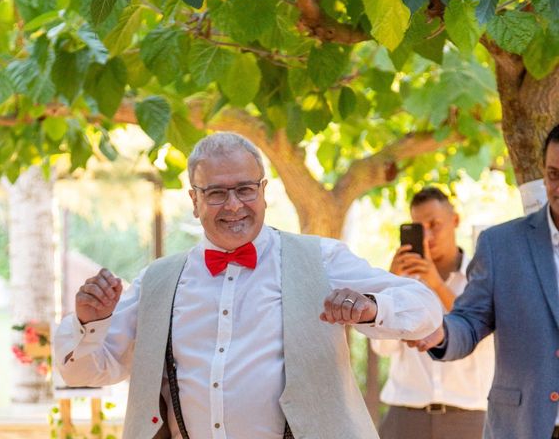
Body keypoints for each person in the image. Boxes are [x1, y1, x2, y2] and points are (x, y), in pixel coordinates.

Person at [54, 132, 442, 439]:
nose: (234, 205)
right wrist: (90, 323)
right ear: (193, 199)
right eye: (217, 193)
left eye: (245, 189)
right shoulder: (157, 281)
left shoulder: (320, 259)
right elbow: (87, 372)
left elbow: (425, 308)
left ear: (263, 191)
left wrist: (372, 307)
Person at [412, 124, 559, 439]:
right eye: (554, 174)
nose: (558, 186)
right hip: (521, 427)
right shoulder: (501, 244)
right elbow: (469, 320)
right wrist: (441, 333)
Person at [372, 188, 494, 439]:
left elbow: (484, 335)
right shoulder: (401, 281)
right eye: (418, 227)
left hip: (469, 418)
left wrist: (436, 284)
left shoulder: (483, 273)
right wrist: (389, 285)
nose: (427, 235)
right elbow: (382, 348)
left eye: (434, 224)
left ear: (455, 220)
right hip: (406, 415)